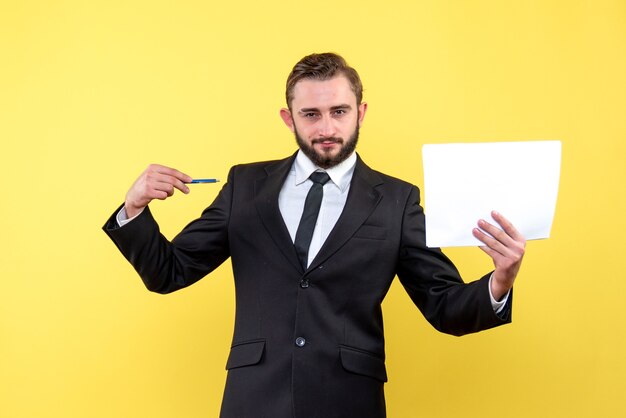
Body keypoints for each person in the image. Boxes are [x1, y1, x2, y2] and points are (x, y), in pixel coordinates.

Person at [103, 52, 525, 418]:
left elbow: (444, 306)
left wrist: (500, 281)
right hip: (254, 402)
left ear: (360, 112)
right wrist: (134, 208)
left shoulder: (396, 201)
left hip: (348, 402)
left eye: (339, 111)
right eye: (311, 114)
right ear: (289, 118)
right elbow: (169, 272)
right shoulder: (245, 187)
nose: (327, 127)